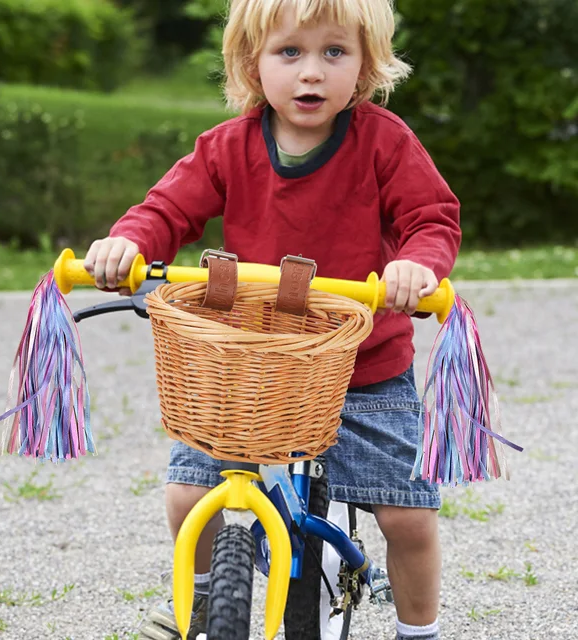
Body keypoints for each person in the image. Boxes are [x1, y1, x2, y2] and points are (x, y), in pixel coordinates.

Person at [84, 0, 461, 638]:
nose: (310, 73)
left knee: (407, 515)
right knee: (188, 497)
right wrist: (130, 244)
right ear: (252, 64)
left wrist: (417, 268)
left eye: (333, 53)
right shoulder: (228, 146)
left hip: (363, 371)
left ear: (365, 64)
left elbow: (430, 218)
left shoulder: (384, 141)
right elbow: (166, 210)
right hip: (250, 371)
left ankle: (417, 630)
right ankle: (201, 603)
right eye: (290, 52)